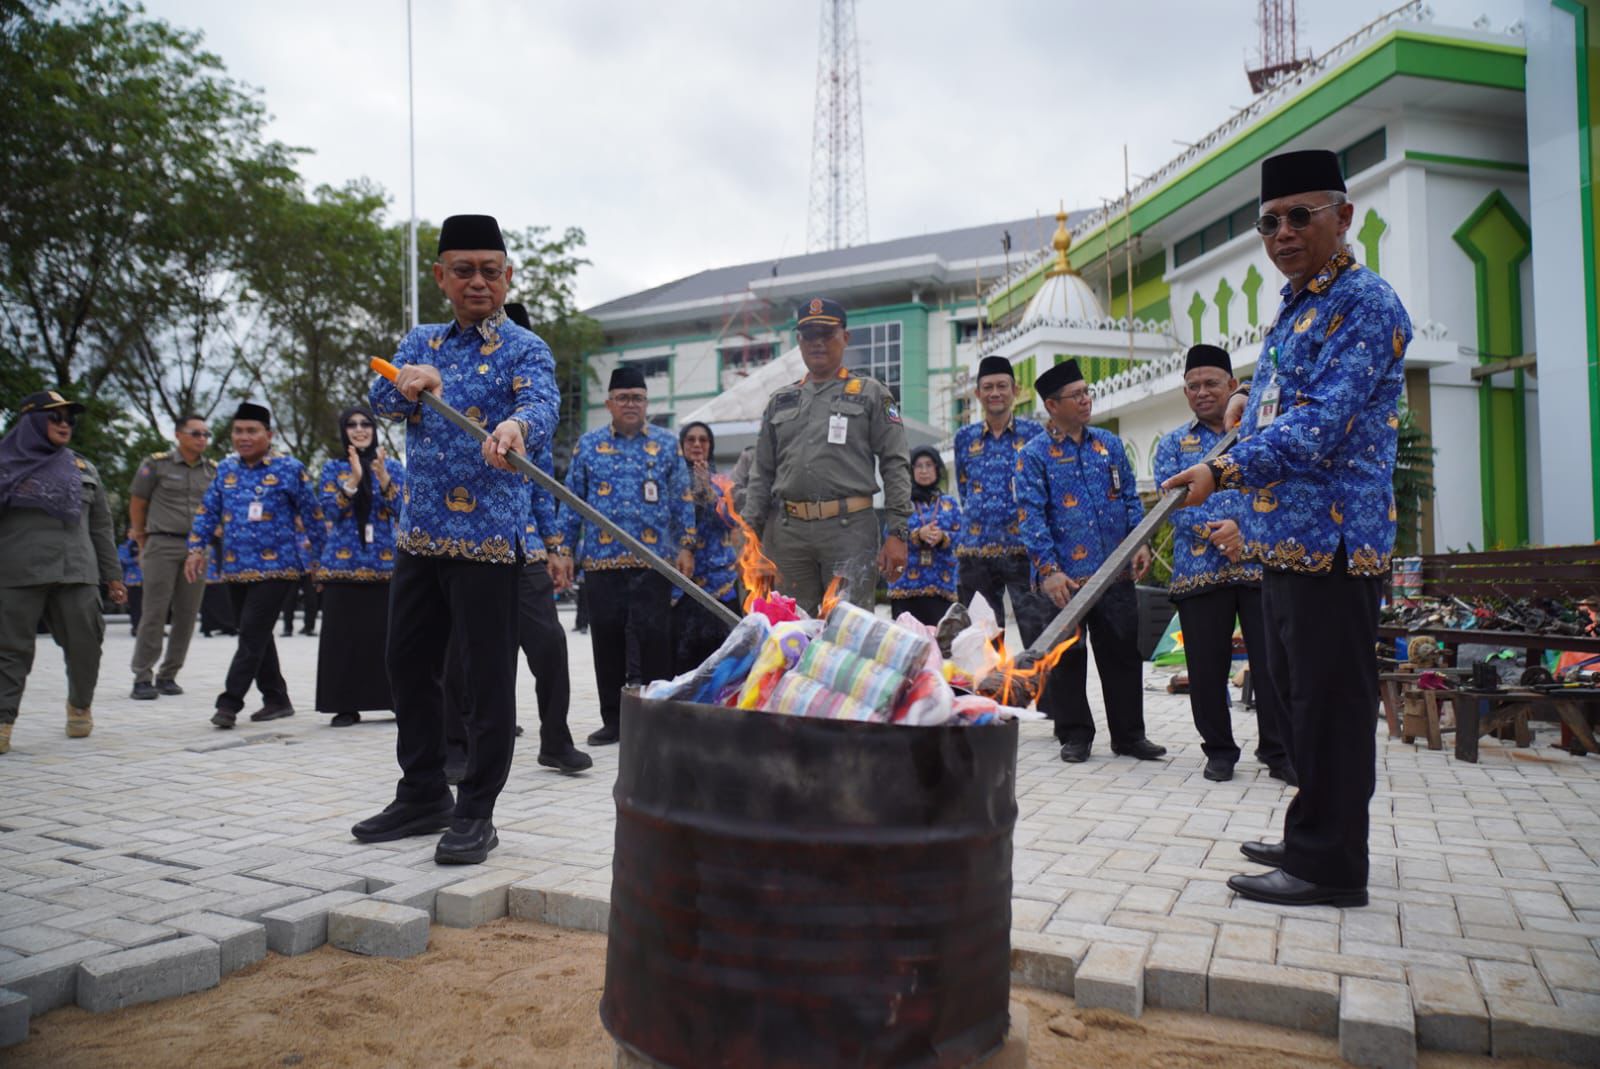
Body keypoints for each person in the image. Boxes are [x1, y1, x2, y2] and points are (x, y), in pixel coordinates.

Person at [1162, 149, 1411, 909]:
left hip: (1334, 541)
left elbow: (1322, 424)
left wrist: (1223, 468)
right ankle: (1313, 828)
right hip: (1284, 539)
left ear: (1345, 215)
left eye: (1302, 215)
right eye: (1271, 221)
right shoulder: (1299, 301)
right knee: (1300, 696)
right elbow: (1277, 402)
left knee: (1332, 704)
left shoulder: (1364, 303)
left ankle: (1331, 864)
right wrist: (1243, 412)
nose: (1284, 232)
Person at [357, 213, 560, 866]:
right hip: (419, 537)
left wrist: (515, 427)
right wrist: (409, 382)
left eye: (490, 270)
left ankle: (476, 808)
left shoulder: (527, 348)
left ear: (507, 276)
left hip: (489, 544)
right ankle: (421, 792)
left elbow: (542, 406)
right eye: (464, 270)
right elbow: (378, 401)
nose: (478, 281)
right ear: (442, 276)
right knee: (406, 663)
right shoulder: (423, 340)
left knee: (486, 679)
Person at [1151, 345, 1291, 784]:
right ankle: (1219, 750)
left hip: (1257, 568)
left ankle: (1278, 750)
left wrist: (1243, 532)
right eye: (1193, 386)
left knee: (1272, 664)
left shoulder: (1260, 432)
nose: (1201, 392)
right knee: (1206, 669)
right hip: (1199, 573)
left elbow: (1278, 489)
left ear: (1233, 386)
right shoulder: (1174, 444)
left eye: (1211, 383)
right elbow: (1173, 502)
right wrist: (1221, 532)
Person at [1016, 359, 1165, 764]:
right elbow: (1031, 517)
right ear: (1051, 405)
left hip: (1115, 572)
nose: (1085, 400)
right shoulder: (1034, 455)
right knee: (1067, 658)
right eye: (1076, 395)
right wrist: (1048, 571)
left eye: (1087, 392)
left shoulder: (1108, 444)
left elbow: (1131, 497)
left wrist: (1139, 544)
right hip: (1065, 581)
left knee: (1122, 654)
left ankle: (1130, 736)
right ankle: (1075, 735)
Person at [740, 297, 911, 615]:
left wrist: (898, 531)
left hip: (849, 532)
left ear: (845, 337)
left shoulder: (870, 393)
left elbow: (895, 463)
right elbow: (761, 474)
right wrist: (750, 536)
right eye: (809, 335)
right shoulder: (780, 401)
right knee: (789, 631)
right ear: (799, 342)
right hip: (788, 536)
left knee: (848, 632)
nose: (817, 342)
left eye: (826, 334)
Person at [552, 365, 694, 746]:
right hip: (601, 559)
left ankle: (657, 717)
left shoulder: (667, 444)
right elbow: (571, 501)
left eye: (638, 397)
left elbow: (682, 498)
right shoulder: (589, 445)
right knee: (607, 641)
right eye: (624, 397)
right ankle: (613, 720)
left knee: (654, 640)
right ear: (609, 403)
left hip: (655, 561)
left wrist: (686, 545)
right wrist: (563, 551)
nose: (631, 404)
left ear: (647, 403)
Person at [184, 402, 325, 729]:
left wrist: (321, 560)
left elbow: (313, 516)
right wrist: (195, 548)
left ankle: (229, 703)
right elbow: (207, 512)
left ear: (269, 435)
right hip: (234, 567)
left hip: (279, 568)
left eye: (252, 431)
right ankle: (276, 699)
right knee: (257, 635)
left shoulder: (290, 469)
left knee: (250, 634)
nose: (243, 437)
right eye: (238, 431)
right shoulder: (226, 470)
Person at [0, 390, 126, 754]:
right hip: (16, 571)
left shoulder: (82, 468)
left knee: (87, 643)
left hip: (77, 571)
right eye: (55, 417)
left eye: (70, 419)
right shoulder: (5, 464)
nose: (65, 425)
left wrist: (113, 576)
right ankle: (4, 720)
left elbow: (101, 527)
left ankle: (79, 704)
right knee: (9, 650)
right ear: (32, 421)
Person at [314, 405, 403, 727]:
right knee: (343, 639)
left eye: (365, 423)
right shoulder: (332, 469)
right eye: (351, 424)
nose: (359, 429)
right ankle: (344, 705)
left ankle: (395, 699)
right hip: (342, 565)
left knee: (390, 636)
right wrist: (353, 480)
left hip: (385, 565)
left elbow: (403, 510)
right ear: (344, 431)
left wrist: (382, 479)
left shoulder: (390, 465)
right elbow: (328, 512)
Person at [953, 355, 1052, 643]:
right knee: (983, 642)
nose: (995, 393)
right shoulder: (964, 438)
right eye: (987, 387)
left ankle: (1039, 690)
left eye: (1001, 386)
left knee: (1038, 633)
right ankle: (989, 691)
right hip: (976, 554)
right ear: (977, 394)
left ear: (1015, 390)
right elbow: (964, 489)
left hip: (1025, 550)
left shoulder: (1035, 434)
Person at [127, 413, 216, 699]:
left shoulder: (212, 470)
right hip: (161, 544)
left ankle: (169, 675)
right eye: (196, 433)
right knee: (154, 612)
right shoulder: (156, 464)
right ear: (179, 435)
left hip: (197, 549)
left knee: (188, 615)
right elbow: (138, 503)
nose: (202, 439)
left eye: (205, 434)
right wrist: (141, 538)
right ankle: (142, 676)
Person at [671, 420, 739, 674]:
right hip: (681, 584)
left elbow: (732, 520)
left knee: (721, 663)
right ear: (681, 445)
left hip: (719, 585)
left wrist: (708, 493)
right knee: (682, 663)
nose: (697, 444)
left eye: (703, 440)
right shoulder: (671, 482)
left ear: (711, 446)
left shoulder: (723, 483)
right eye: (691, 440)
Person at [888, 446, 961, 626]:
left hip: (940, 587)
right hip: (905, 588)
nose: (924, 471)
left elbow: (962, 536)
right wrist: (917, 535)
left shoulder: (949, 503)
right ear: (911, 471)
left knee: (939, 645)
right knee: (906, 645)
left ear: (937, 469)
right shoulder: (901, 503)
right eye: (918, 466)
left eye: (929, 465)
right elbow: (888, 533)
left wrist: (943, 537)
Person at [280, 537, 319, 637]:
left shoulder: (311, 531)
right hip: (291, 569)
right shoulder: (288, 530)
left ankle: (309, 627)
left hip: (309, 570)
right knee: (289, 599)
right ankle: (287, 628)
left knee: (311, 599)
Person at [118, 535, 143, 635]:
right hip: (133, 579)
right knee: (136, 605)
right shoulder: (126, 545)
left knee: (152, 605)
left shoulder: (148, 542)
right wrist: (136, 559)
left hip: (149, 578)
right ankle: (136, 627)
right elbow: (122, 559)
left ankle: (155, 629)